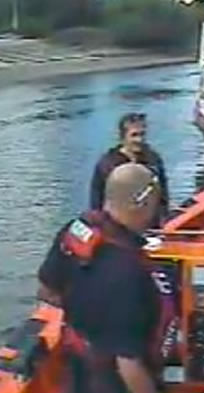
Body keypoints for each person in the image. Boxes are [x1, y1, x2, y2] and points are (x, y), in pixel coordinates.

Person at [37, 163, 163, 393]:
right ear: (143, 204)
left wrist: (85, 309)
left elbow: (46, 290)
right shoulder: (130, 272)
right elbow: (128, 365)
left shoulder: (75, 230)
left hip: (77, 371)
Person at [90, 112, 169, 226]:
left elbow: (163, 197)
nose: (140, 140)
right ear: (123, 137)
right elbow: (96, 202)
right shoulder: (107, 164)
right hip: (117, 227)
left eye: (142, 134)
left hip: (150, 226)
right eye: (134, 135)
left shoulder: (154, 159)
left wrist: (163, 221)